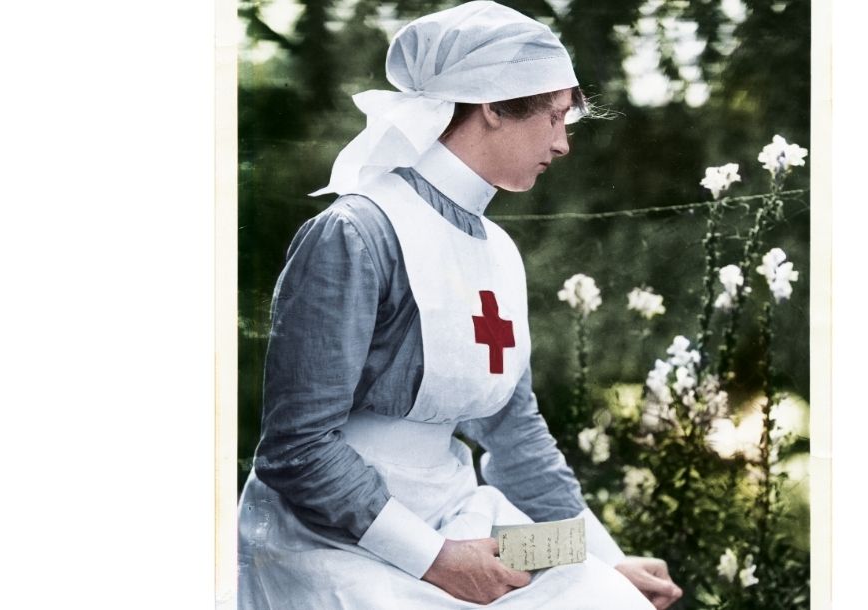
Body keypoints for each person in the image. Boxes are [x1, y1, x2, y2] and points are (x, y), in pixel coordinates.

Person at [237, 2, 683, 608]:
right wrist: (437, 561)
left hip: (462, 517)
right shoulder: (358, 232)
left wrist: (608, 560)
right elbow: (296, 448)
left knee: (605, 597)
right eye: (553, 118)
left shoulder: (496, 249)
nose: (563, 144)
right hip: (336, 539)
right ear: (494, 107)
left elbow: (516, 436)